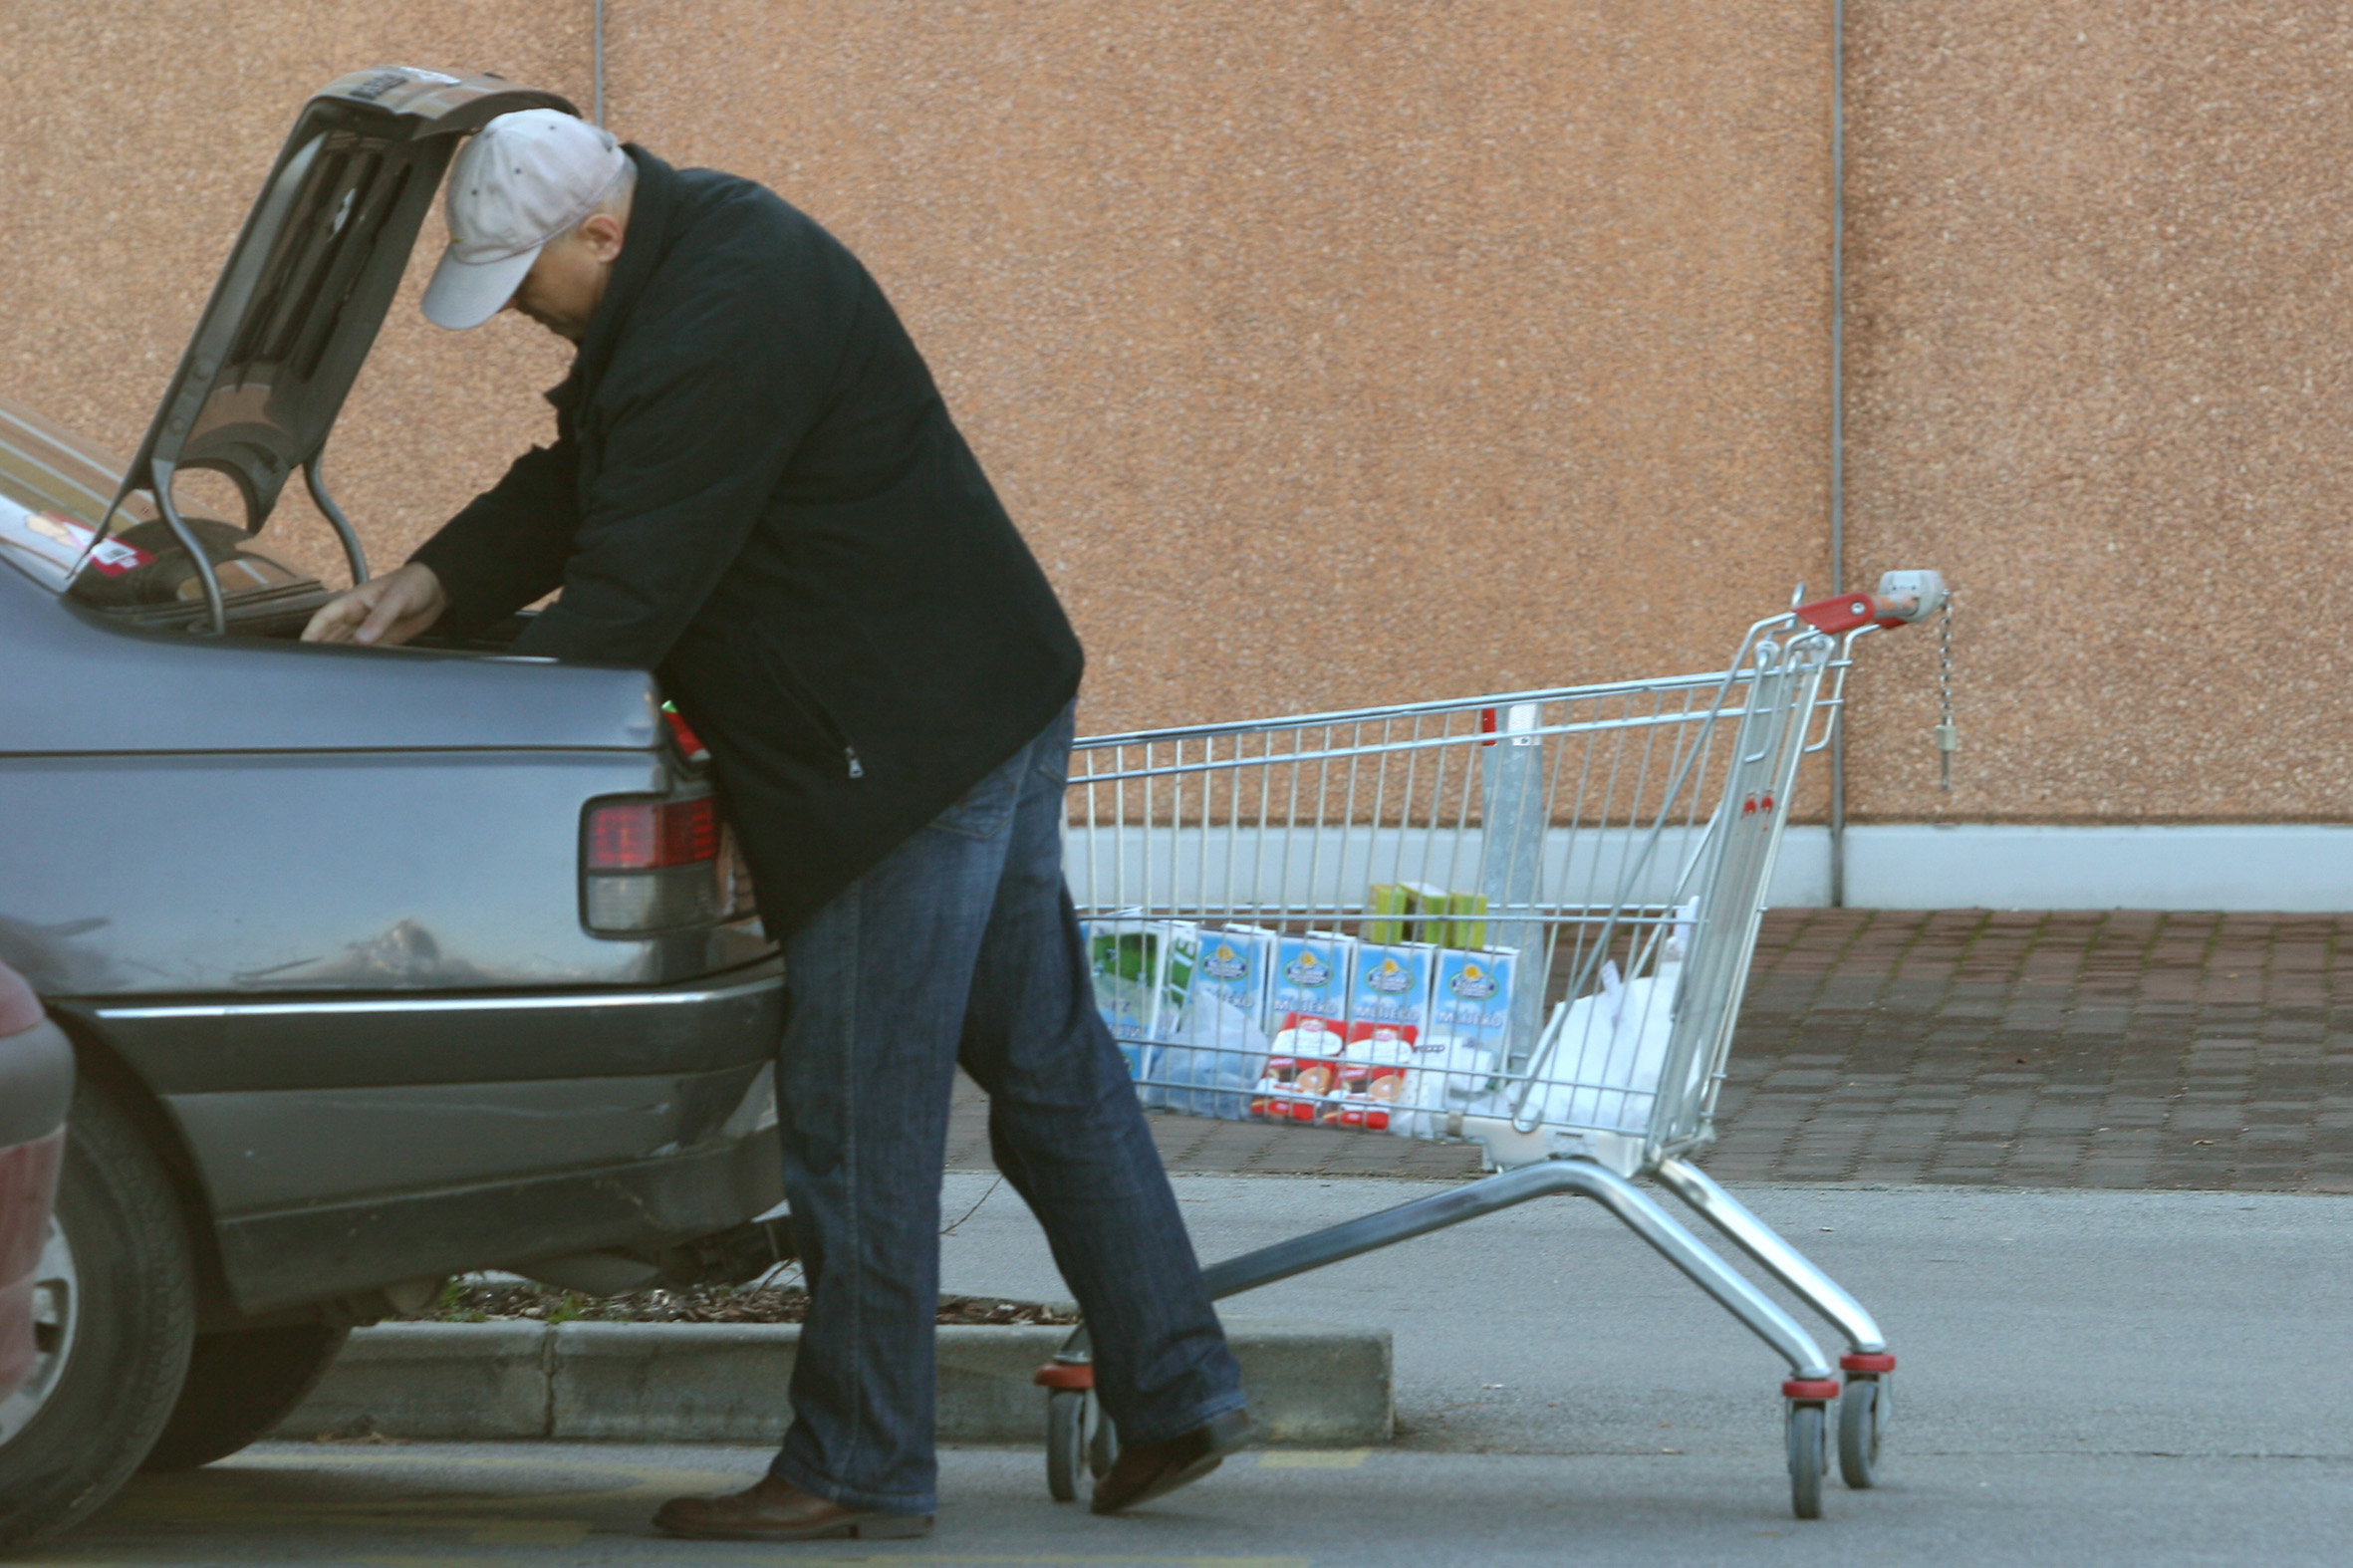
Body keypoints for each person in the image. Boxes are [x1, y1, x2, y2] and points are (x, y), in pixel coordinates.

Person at [303, 108, 1248, 1543]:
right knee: (1044, 1058)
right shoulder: (704, 253)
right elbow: (579, 478)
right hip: (977, 694)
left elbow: (626, 609)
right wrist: (431, 581)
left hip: (892, 753)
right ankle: (1176, 1386)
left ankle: (862, 1460)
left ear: (598, 234)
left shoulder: (714, 325)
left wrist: (442, 700)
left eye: (526, 282)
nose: (518, 318)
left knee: (859, 1120)